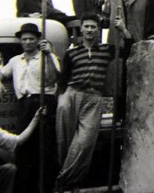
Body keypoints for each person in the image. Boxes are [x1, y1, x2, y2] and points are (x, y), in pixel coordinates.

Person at [55, 13, 131, 192]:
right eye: (86, 26)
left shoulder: (106, 50)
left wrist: (123, 29)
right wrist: (61, 98)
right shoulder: (72, 53)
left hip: (93, 98)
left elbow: (129, 50)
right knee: (64, 140)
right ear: (81, 29)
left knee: (84, 142)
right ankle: (71, 182)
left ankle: (63, 180)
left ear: (98, 30)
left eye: (93, 27)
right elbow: (63, 80)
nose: (89, 30)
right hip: (71, 95)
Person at [0, 23, 60, 193]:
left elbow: (52, 78)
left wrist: (48, 54)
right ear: (20, 41)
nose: (28, 42)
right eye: (24, 39)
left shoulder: (48, 57)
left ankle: (47, 188)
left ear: (38, 40)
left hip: (44, 102)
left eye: (31, 38)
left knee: (45, 149)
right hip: (25, 105)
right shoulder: (16, 61)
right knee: (23, 147)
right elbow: (1, 73)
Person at [102, 0, 149, 119]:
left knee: (136, 81)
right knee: (118, 83)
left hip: (136, 42)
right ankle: (118, 118)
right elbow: (105, 17)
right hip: (117, 45)